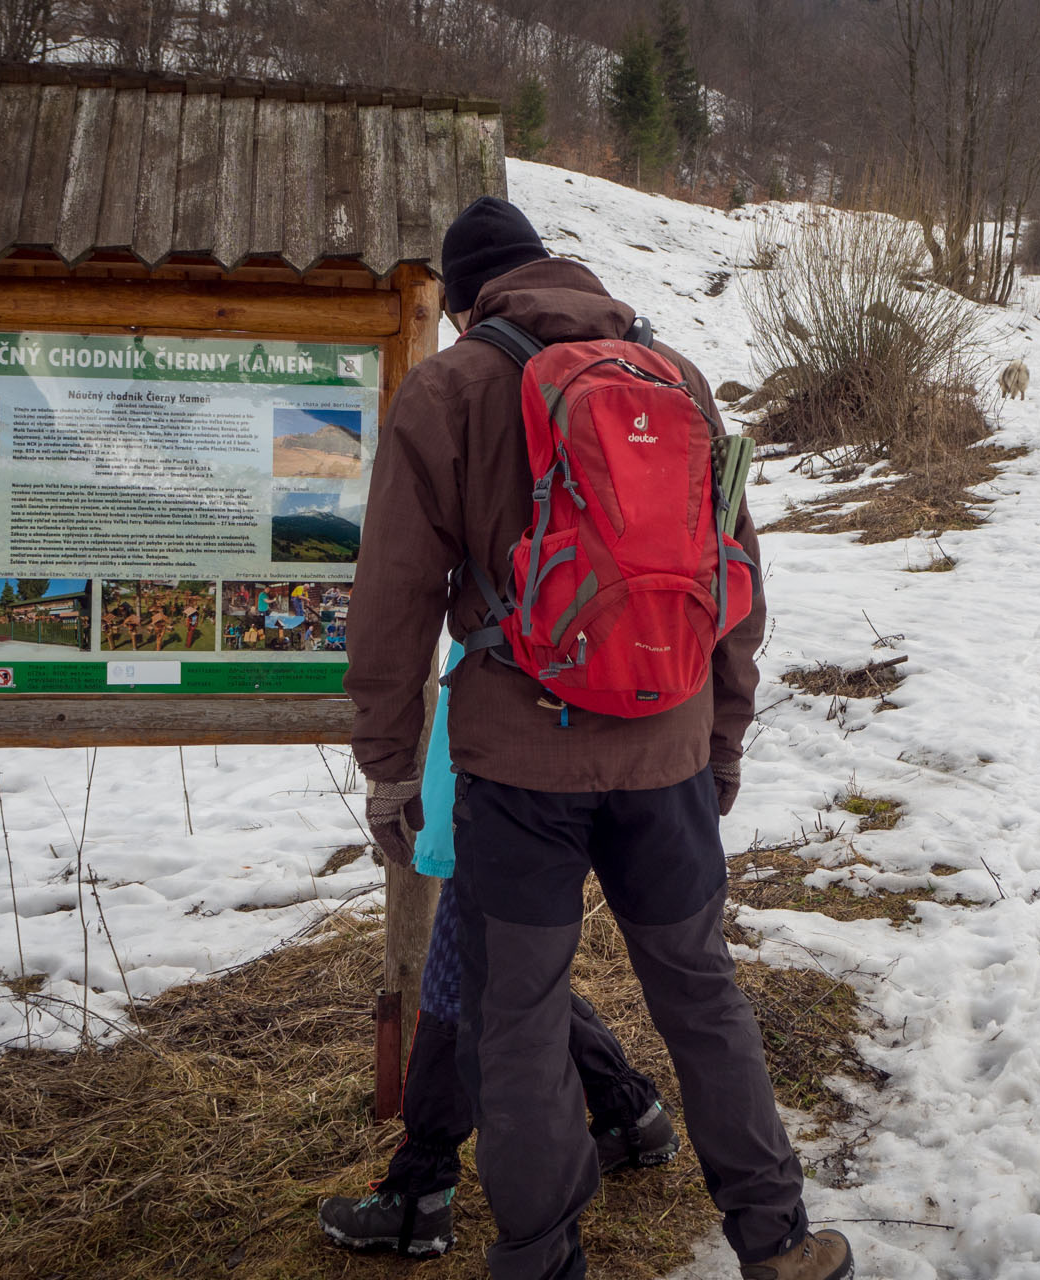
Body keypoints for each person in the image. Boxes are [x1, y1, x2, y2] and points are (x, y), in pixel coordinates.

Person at [342, 195, 851, 1280]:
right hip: (664, 752)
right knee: (701, 991)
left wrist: (389, 767)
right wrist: (722, 732)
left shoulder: (449, 388)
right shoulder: (677, 376)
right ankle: (779, 1239)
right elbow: (733, 580)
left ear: (465, 295)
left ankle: (539, 1256)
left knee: (516, 1018)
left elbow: (390, 598)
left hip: (519, 770)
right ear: (553, 265)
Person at [320, 648, 680, 1257]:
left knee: (460, 979)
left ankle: (420, 1192)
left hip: (505, 766)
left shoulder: (497, 553)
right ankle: (630, 1111)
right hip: (602, 757)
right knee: (509, 972)